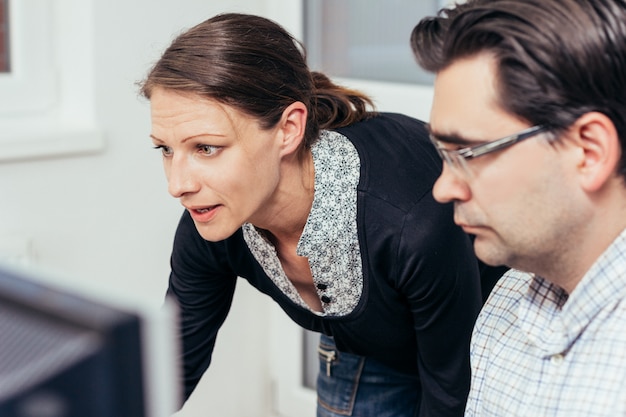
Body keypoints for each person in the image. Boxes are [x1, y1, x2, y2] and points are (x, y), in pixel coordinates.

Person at [139, 12, 491, 417]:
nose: (177, 185)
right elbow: (169, 368)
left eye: (206, 148)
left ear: (288, 130)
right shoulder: (211, 219)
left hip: (477, 343)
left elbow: (452, 386)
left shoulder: (406, 223)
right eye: (165, 149)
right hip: (372, 347)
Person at [410, 0, 626, 416]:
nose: (442, 188)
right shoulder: (507, 296)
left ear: (589, 151)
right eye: (442, 153)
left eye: (467, 154)